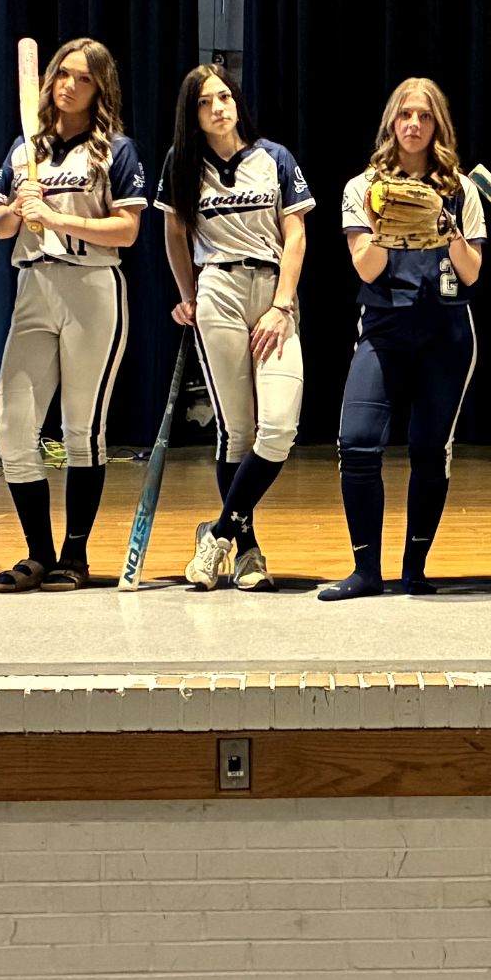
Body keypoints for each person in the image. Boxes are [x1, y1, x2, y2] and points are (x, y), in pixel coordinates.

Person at [0, 38, 149, 593]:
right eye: (62, 74)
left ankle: (74, 556)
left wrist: (56, 217)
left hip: (92, 286)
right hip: (33, 285)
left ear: (100, 88)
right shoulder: (25, 148)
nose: (69, 85)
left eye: (83, 78)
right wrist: (17, 206)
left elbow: (126, 230)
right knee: (12, 427)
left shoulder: (116, 150)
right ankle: (38, 552)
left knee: (82, 428)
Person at [319, 78, 489, 600]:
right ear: (391, 122)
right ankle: (366, 570)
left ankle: (415, 568)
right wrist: (386, 224)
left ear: (438, 125)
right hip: (384, 328)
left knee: (429, 450)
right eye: (405, 115)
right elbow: (366, 268)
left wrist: (443, 225)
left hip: (446, 330)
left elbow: (472, 272)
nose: (414, 124)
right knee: (357, 443)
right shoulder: (362, 186)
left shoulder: (462, 189)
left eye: (425, 116)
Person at [156, 64, 312, 592]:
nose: (218, 108)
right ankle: (247, 552)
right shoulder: (181, 161)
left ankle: (218, 531)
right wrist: (187, 295)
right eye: (204, 102)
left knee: (279, 428)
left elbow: (296, 235)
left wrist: (282, 305)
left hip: (272, 291)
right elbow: (174, 233)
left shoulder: (275, 158)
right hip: (217, 288)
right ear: (192, 113)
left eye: (224, 96)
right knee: (237, 431)